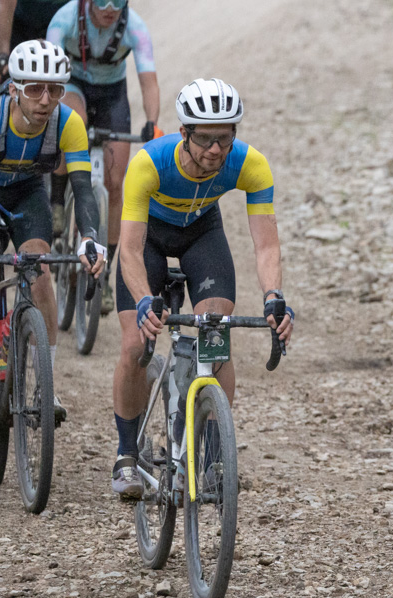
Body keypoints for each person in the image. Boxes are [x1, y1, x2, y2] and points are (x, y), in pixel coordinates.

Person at [112, 78, 293, 499]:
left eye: (225, 138)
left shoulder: (250, 164)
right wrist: (142, 300)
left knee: (216, 334)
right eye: (207, 139)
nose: (216, 150)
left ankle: (208, 454)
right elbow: (130, 251)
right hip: (151, 241)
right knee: (132, 345)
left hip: (201, 234)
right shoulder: (149, 164)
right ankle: (125, 454)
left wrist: (273, 297)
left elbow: (266, 244)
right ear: (184, 134)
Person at [0, 39, 105, 418]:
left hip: (25, 193)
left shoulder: (68, 123)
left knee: (40, 276)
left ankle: (45, 384)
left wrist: (90, 238)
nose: (45, 99)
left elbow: (82, 187)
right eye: (34, 89)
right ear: (15, 89)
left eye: (55, 90)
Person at [48, 0, 160, 314]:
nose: (110, 8)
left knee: (115, 183)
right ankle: (57, 200)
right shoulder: (65, 19)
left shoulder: (135, 27)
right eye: (101, 0)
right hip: (72, 85)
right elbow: (50, 75)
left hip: (112, 95)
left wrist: (152, 122)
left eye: (118, 0)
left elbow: (148, 81)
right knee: (71, 127)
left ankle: (106, 274)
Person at [0, 0, 70, 86]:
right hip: (24, 29)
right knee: (6, 77)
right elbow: (4, 10)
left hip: (67, 29)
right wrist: (2, 57)